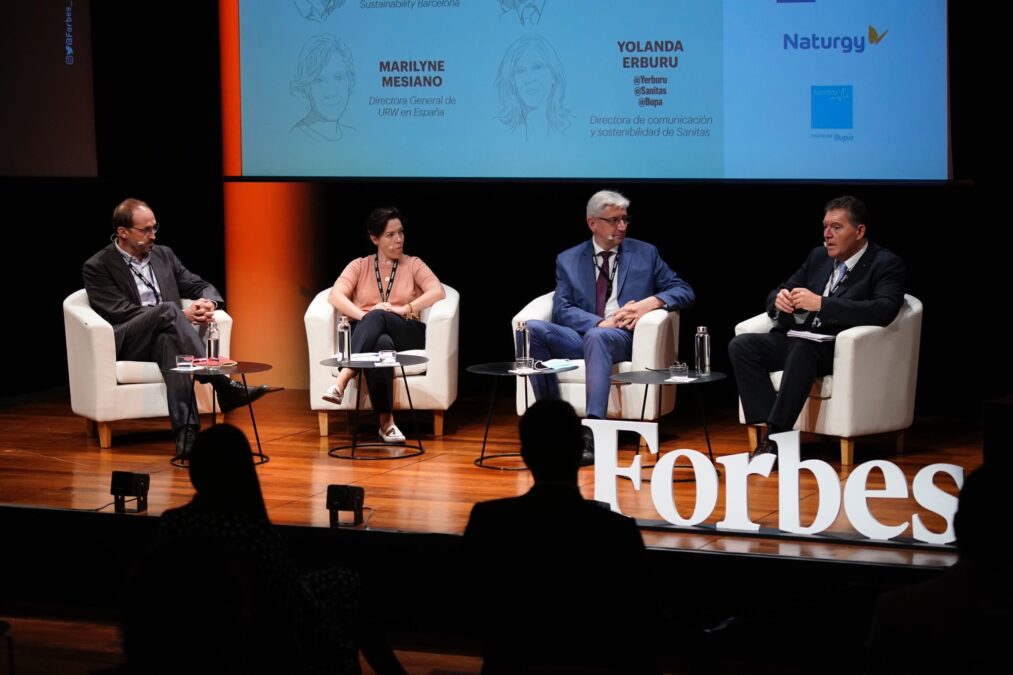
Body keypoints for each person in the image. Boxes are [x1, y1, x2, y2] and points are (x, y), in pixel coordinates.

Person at [159, 424, 405, 675]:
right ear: (242, 470)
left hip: (202, 636)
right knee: (345, 583)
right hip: (260, 635)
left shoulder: (172, 523)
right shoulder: (254, 532)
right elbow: (289, 598)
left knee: (342, 583)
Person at [461, 399, 665, 674]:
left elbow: (468, 612)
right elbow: (645, 622)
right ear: (580, 449)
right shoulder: (616, 531)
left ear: (524, 454)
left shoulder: (490, 520)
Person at [82, 198, 275, 458]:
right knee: (169, 310)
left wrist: (208, 302)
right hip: (128, 339)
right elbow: (120, 311)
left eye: (155, 228)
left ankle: (186, 434)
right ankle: (220, 382)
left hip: (164, 334)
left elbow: (197, 284)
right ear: (123, 232)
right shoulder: (98, 266)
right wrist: (179, 314)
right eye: (146, 230)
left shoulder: (164, 254)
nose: (153, 235)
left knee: (168, 342)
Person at [727, 196, 906, 462]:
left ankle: (775, 439)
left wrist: (823, 304)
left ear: (859, 231)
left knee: (802, 348)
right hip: (802, 340)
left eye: (836, 227)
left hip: (839, 348)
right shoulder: (819, 256)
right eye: (825, 227)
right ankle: (770, 432)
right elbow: (780, 288)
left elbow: (884, 310)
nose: (827, 234)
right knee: (742, 346)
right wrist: (780, 301)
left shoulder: (885, 263)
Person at [526, 189, 695, 462]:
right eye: (614, 220)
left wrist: (649, 303)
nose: (622, 226)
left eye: (625, 219)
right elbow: (562, 309)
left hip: (622, 337)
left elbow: (684, 291)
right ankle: (554, 422)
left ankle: (594, 431)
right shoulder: (568, 259)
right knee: (533, 329)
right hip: (583, 335)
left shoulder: (645, 253)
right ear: (593, 223)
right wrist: (600, 322)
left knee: (598, 337)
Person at [323, 206, 445, 443]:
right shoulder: (360, 265)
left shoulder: (413, 264)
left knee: (379, 317)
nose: (398, 240)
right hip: (372, 334)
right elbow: (335, 296)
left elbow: (437, 291)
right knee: (381, 342)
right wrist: (364, 316)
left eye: (400, 232)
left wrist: (403, 309)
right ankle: (386, 423)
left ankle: (344, 376)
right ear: (374, 238)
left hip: (407, 330)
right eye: (390, 235)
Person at [494, 34, 572, 139]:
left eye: (538, 67)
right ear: (512, 81)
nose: (529, 79)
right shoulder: (497, 130)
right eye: (520, 71)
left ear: (553, 74)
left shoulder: (571, 127)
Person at [290, 33, 355, 142]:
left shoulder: (353, 134)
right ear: (306, 88)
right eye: (319, 80)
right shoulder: (295, 138)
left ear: (350, 81)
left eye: (338, 77)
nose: (331, 92)